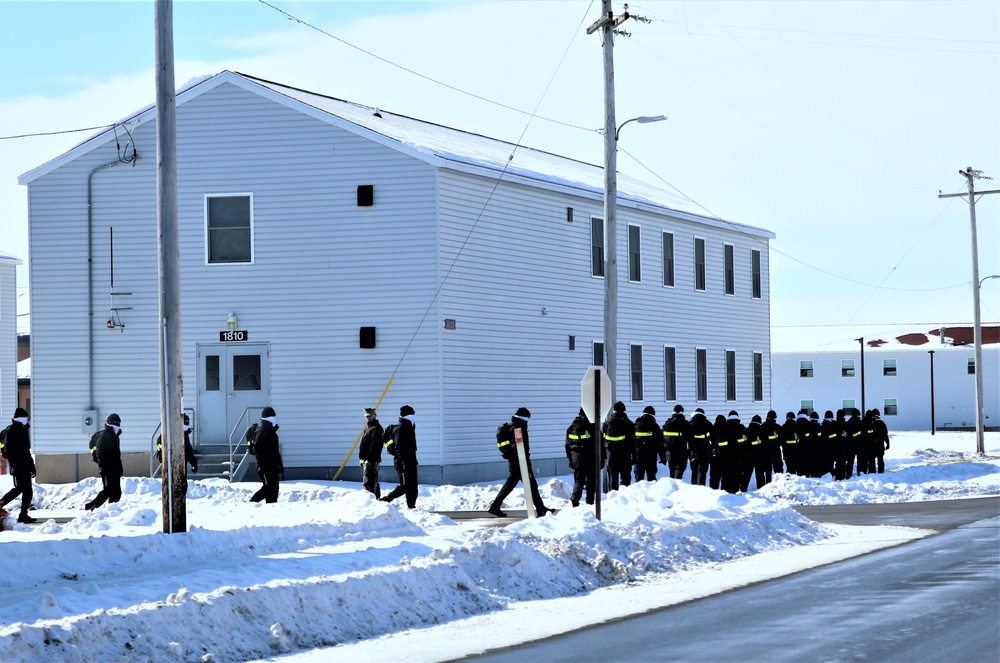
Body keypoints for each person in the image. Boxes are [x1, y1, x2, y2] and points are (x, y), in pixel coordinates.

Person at [489, 407, 551, 517]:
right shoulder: (518, 428)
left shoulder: (512, 426)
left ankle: (495, 506)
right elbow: (520, 447)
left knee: (512, 485)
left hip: (515, 461)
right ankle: (541, 509)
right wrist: (524, 461)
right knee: (531, 485)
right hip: (520, 462)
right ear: (524, 418)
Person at [0, 408, 37, 523]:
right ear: (21, 418)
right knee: (26, 490)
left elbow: (4, 447)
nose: (27, 419)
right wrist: (30, 466)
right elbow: (24, 450)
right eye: (25, 417)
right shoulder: (18, 430)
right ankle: (22, 514)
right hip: (21, 464)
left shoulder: (8, 430)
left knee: (21, 488)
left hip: (17, 464)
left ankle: (3, 503)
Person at [381, 405, 419, 509]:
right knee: (405, 486)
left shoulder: (409, 427)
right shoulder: (401, 429)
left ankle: (412, 506)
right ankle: (386, 499)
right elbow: (398, 447)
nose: (414, 417)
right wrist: (403, 461)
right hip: (403, 463)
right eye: (413, 414)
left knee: (412, 486)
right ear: (408, 416)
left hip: (410, 462)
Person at [85, 413, 124, 511]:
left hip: (114, 469)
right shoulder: (105, 435)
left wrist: (119, 469)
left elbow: (116, 455)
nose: (118, 426)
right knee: (109, 491)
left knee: (116, 493)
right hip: (108, 469)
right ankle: (90, 507)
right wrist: (103, 466)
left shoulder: (114, 436)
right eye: (116, 423)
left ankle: (112, 512)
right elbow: (100, 453)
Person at [566, 409, 602, 507]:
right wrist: (601, 460)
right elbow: (599, 444)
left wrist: (570, 460)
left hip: (576, 459)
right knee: (591, 480)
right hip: (590, 458)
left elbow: (567, 446)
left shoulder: (570, 428)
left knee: (579, 480)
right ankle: (590, 501)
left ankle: (575, 498)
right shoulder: (591, 427)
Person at [249, 406, 283, 504]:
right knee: (268, 488)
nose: (275, 419)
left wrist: (279, 464)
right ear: (268, 419)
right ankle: (252, 503)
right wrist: (261, 465)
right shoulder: (263, 431)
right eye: (272, 417)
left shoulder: (270, 431)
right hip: (266, 467)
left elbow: (274, 451)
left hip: (272, 466)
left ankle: (271, 506)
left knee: (273, 488)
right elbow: (257, 448)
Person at [602, 402, 635, 491]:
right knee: (625, 478)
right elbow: (632, 441)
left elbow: (603, 440)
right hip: (625, 454)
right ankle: (624, 497)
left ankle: (613, 496)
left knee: (613, 476)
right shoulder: (629, 423)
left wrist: (604, 454)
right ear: (624, 410)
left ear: (613, 410)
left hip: (611, 454)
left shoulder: (606, 424)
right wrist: (634, 456)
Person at [633, 406, 665, 482]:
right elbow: (659, 444)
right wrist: (662, 457)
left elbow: (630, 441)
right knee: (651, 478)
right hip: (651, 456)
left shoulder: (635, 425)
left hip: (638, 455)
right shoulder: (655, 426)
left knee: (638, 479)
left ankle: (637, 493)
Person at [358, 407, 383, 499]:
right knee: (371, 481)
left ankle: (372, 501)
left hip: (371, 461)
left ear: (375, 415)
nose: (368, 418)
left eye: (370, 416)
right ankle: (376, 500)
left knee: (370, 482)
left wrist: (369, 459)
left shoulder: (376, 428)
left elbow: (375, 446)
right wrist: (362, 458)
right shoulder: (368, 428)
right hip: (366, 460)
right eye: (366, 416)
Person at [662, 405, 690, 480]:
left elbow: (663, 438)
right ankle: (677, 484)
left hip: (669, 451)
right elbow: (690, 437)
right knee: (680, 469)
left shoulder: (667, 423)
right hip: (681, 450)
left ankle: (672, 484)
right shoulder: (685, 423)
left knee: (672, 470)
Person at [687, 408, 712, 486]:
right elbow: (713, 438)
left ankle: (694, 487)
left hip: (693, 451)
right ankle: (701, 487)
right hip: (704, 450)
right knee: (702, 470)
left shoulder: (690, 424)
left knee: (694, 470)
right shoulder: (708, 424)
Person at [761, 410, 783, 477]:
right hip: (776, 450)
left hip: (766, 450)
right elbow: (781, 439)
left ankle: (768, 484)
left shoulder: (763, 427)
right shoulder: (778, 427)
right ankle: (780, 482)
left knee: (768, 470)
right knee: (778, 469)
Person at [710, 413, 728, 490]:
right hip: (725, 457)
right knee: (725, 477)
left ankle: (713, 492)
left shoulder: (712, 429)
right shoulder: (727, 430)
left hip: (714, 458)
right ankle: (724, 492)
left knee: (714, 477)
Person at [780, 411, 799, 476]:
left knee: (789, 468)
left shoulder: (783, 427)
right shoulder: (796, 426)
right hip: (796, 451)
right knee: (795, 467)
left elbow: (781, 441)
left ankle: (789, 480)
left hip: (786, 451)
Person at [871, 408, 889, 474]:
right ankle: (880, 471)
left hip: (873, 444)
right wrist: (887, 443)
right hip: (880, 444)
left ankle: (873, 471)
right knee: (880, 458)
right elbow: (885, 435)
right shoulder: (882, 423)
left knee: (872, 458)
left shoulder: (871, 424)